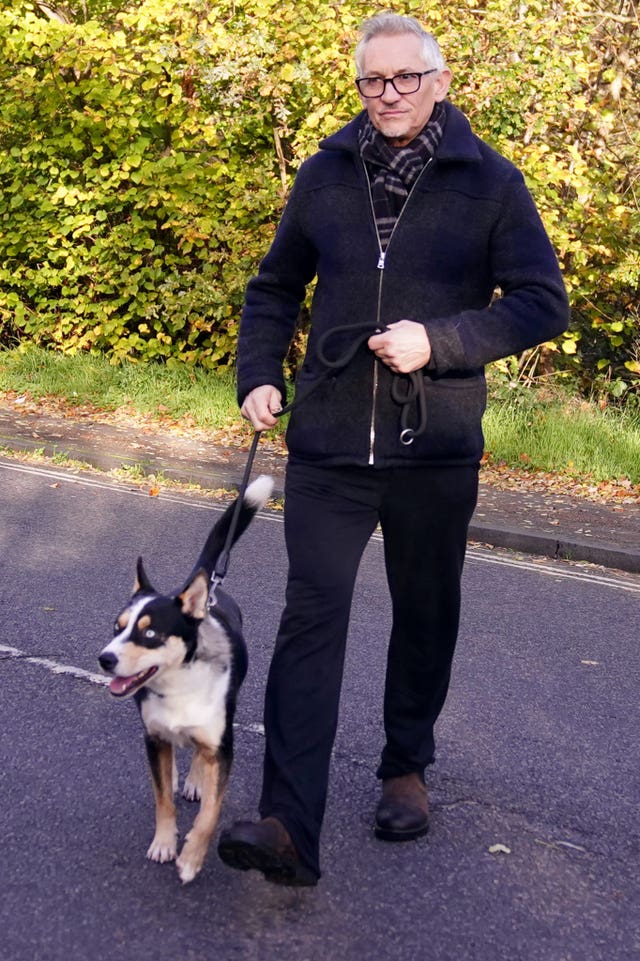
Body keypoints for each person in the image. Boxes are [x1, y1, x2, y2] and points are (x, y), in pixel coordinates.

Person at [217, 12, 569, 887]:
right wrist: (260, 372)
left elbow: (540, 301)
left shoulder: (490, 182)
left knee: (425, 613)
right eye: (374, 81)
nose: (390, 95)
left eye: (407, 79)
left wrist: (441, 342)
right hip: (330, 439)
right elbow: (272, 289)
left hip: (434, 445)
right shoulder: (325, 173)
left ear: (440, 81)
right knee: (310, 619)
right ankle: (286, 823)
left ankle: (405, 765)